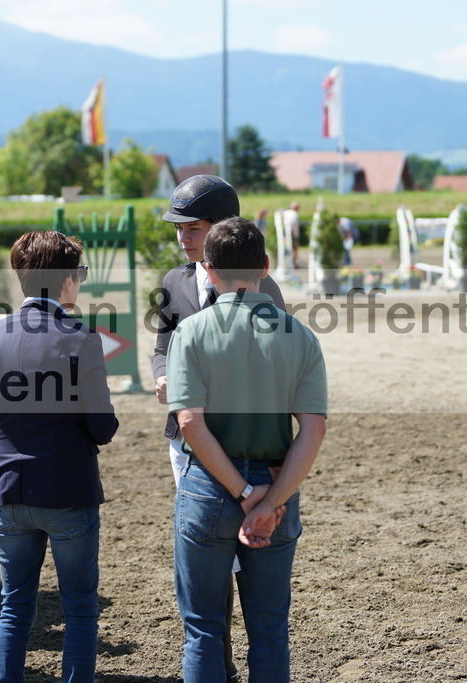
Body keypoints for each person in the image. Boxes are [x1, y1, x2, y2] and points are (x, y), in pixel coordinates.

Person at [166, 217, 328, 682]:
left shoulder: (191, 333)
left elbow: (189, 422)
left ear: (209, 270)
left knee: (202, 629)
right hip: (276, 489)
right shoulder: (301, 336)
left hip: (208, 491)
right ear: (265, 266)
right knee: (271, 628)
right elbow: (312, 431)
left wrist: (241, 494)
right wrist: (269, 501)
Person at [0, 230, 118, 683]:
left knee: (14, 606)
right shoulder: (83, 339)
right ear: (67, 282)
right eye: (81, 275)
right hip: (69, 492)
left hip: (9, 491)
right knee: (80, 609)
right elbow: (103, 428)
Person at [151, 174, 285, 681]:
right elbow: (162, 344)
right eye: (179, 228)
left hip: (245, 438)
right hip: (188, 438)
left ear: (221, 228)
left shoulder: (265, 288)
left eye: (194, 227)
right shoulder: (173, 283)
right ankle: (220, 664)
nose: (184, 237)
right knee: (210, 558)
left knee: (239, 554)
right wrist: (163, 375)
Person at [282, 201, 301, 269]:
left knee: (285, 249)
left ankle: (288, 263)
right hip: (292, 233)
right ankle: (293, 264)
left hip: (285, 232)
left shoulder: (286, 212)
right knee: (294, 249)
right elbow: (292, 224)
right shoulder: (294, 214)